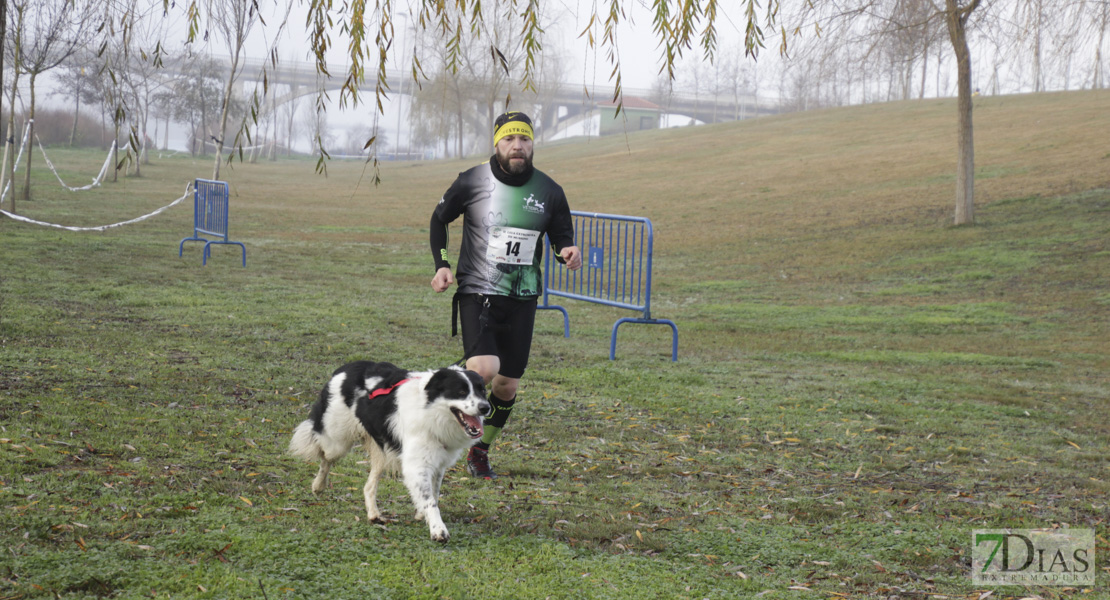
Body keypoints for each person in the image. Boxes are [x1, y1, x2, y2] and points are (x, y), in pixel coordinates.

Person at [429, 111, 582, 479]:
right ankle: (443, 412)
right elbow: (439, 219)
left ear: (532, 145)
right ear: (496, 144)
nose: (517, 146)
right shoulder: (472, 181)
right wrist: (442, 263)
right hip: (477, 292)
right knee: (485, 369)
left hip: (523, 297)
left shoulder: (549, 191)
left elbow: (563, 237)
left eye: (524, 139)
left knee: (507, 384)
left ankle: (479, 451)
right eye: (509, 139)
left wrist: (568, 251)